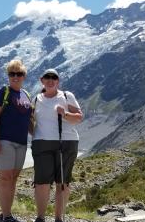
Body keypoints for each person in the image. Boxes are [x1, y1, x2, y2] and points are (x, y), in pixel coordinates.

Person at [31, 68, 83, 222]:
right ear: (42, 80)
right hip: (41, 143)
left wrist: (64, 114)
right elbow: (31, 122)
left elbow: (79, 117)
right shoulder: (36, 99)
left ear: (58, 81)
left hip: (66, 142)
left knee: (62, 182)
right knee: (41, 183)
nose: (50, 80)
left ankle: (58, 218)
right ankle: (40, 218)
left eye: (54, 77)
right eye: (47, 77)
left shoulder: (67, 96)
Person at [0, 59, 33, 222]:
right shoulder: (3, 92)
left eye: (19, 74)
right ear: (8, 76)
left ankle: (6, 213)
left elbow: (29, 120)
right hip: (3, 141)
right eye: (12, 74)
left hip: (21, 143)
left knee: (13, 178)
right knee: (5, 177)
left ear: (24, 76)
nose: (15, 77)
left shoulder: (26, 94)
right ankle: (6, 216)